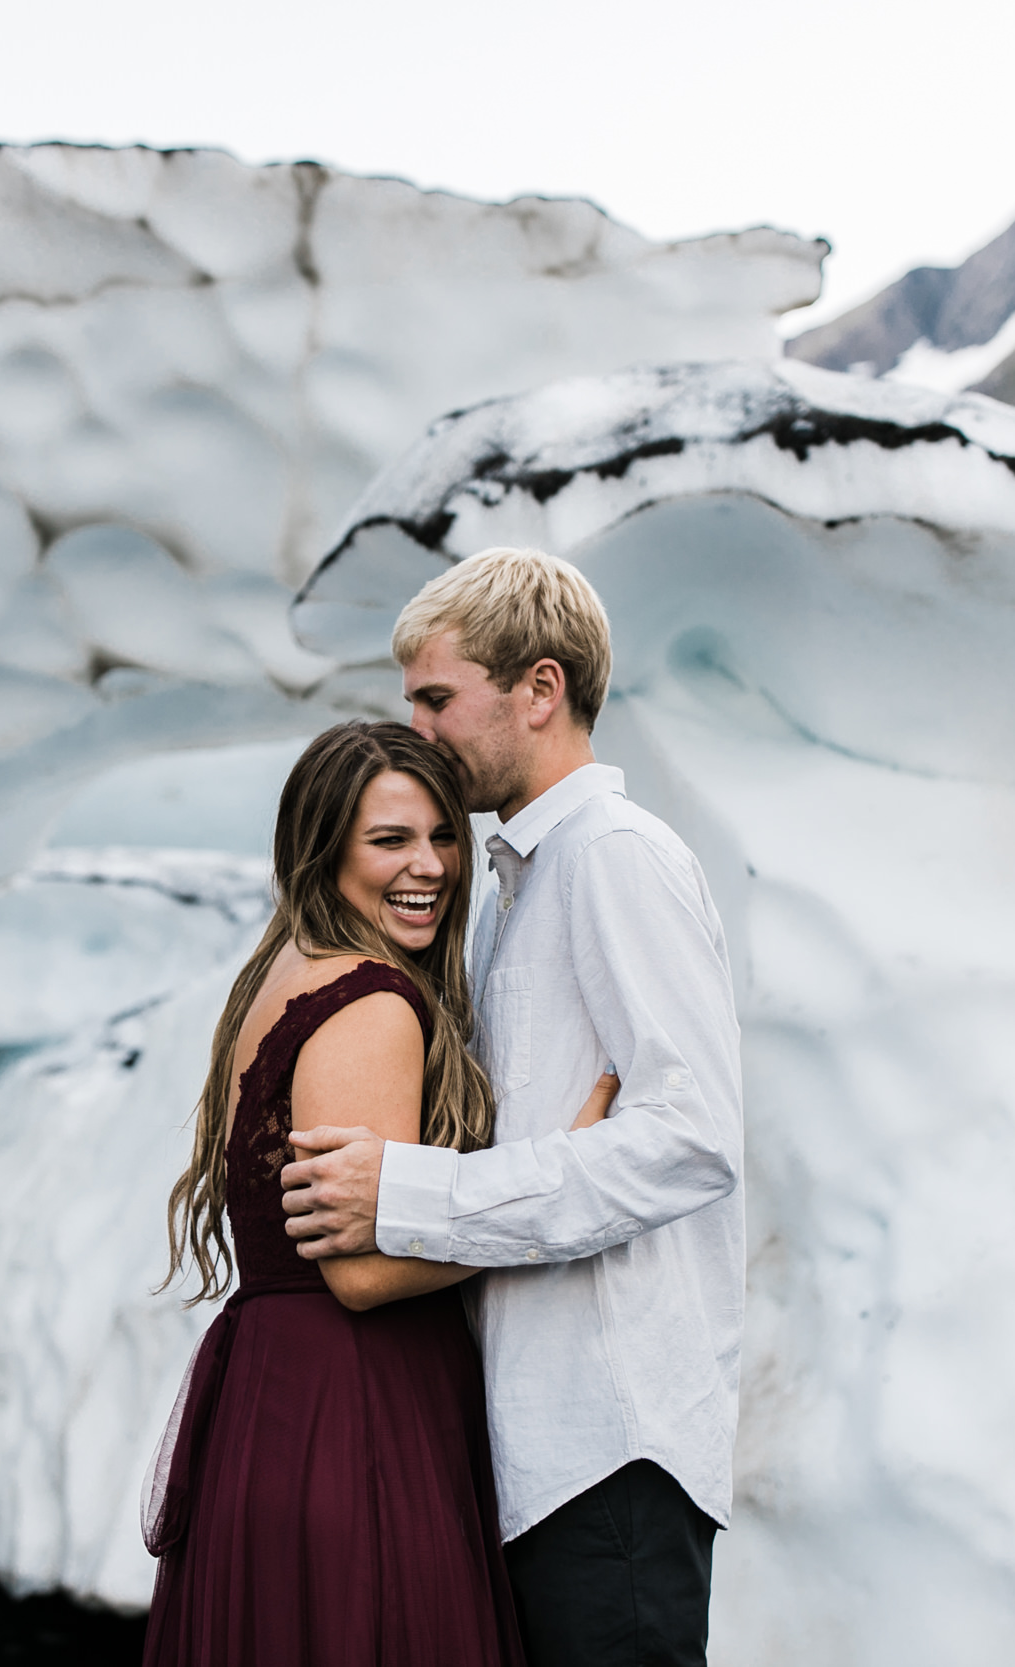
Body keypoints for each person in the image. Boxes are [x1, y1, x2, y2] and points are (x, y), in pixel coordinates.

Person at [282, 547, 746, 1667]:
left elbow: (691, 1140)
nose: (418, 730)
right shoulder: (513, 880)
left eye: (437, 698)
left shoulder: (615, 859)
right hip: (538, 1446)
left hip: (610, 1447)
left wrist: (414, 1196)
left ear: (538, 689)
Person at [140, 720, 615, 1667]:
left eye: (442, 835)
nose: (430, 866)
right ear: (323, 852)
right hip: (353, 1407)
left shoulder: (285, 971)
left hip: (275, 1400)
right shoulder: (372, 1003)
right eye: (389, 839)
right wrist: (558, 1183)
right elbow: (359, 1271)